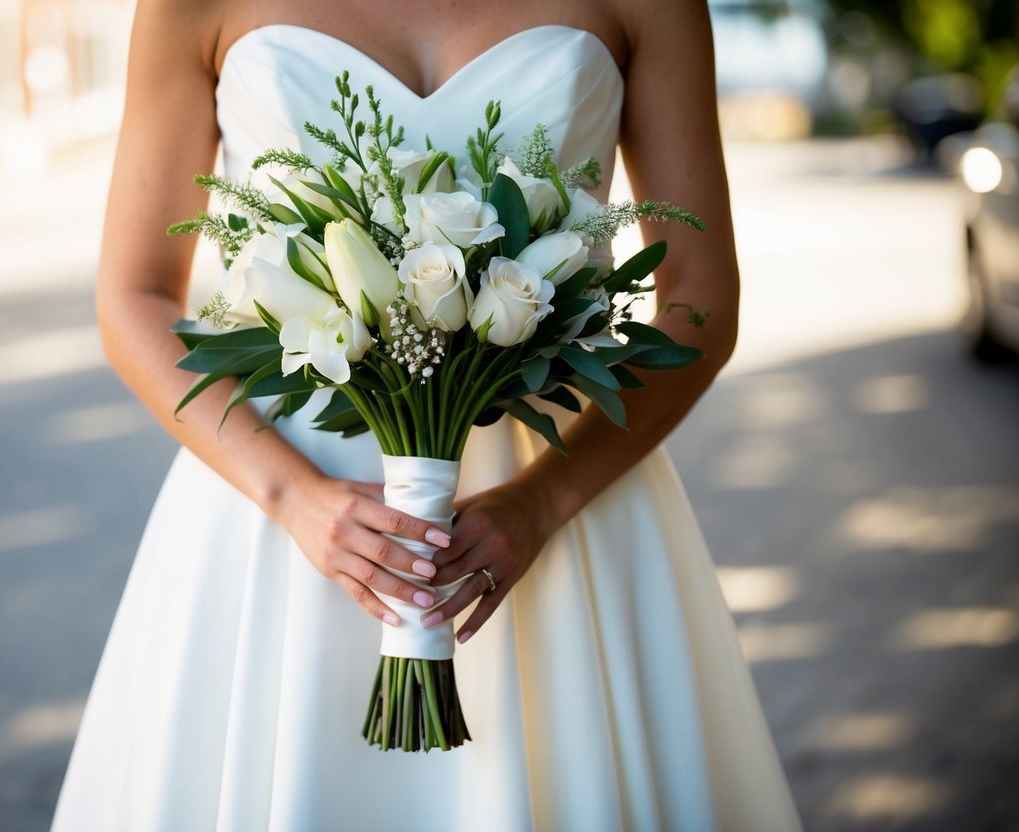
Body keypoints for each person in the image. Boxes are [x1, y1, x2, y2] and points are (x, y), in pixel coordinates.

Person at [51, 1, 803, 829]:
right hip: (281, 517)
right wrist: (289, 495)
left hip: (555, 494)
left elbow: (699, 297)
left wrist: (542, 499)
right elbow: (133, 296)